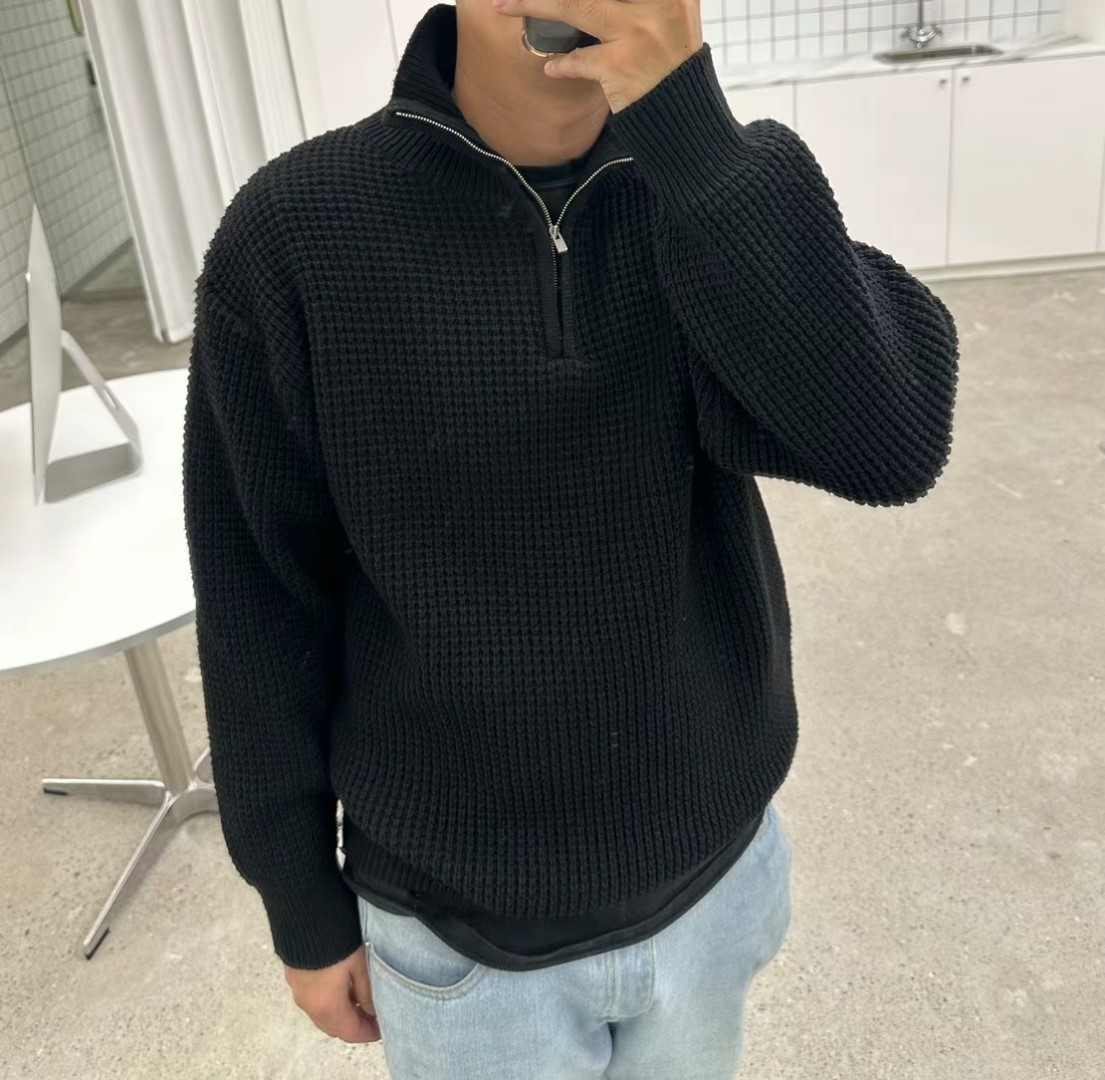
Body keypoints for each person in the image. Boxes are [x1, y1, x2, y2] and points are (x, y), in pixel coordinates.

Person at [182, 1, 959, 1076]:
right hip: (452, 920)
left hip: (711, 876)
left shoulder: (709, 193)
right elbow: (258, 595)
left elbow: (891, 442)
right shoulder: (298, 232)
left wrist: (694, 137)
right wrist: (299, 902)